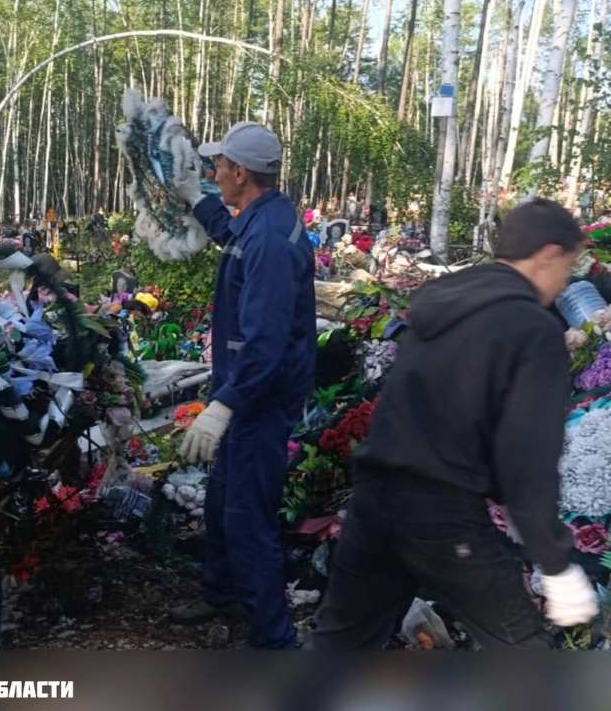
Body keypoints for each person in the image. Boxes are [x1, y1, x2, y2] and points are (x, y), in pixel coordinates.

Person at [311, 198, 598, 649]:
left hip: (373, 500)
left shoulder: (440, 304)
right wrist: (557, 564)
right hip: (442, 517)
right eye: (568, 264)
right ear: (547, 255)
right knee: (524, 658)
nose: (568, 280)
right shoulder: (529, 327)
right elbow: (526, 460)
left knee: (338, 647)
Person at [170, 122, 316, 649]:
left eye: (217, 168)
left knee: (246, 516)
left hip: (260, 397)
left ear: (240, 172)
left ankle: (274, 643)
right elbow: (228, 233)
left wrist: (225, 405)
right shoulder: (259, 221)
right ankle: (223, 589)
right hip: (245, 391)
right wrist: (196, 202)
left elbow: (266, 343)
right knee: (222, 496)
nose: (212, 175)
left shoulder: (273, 241)